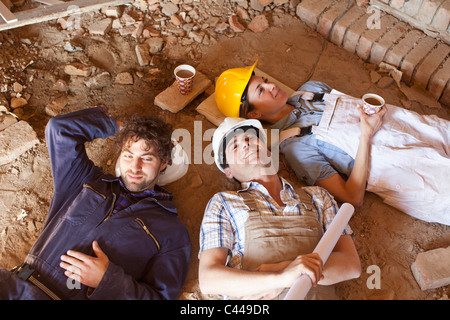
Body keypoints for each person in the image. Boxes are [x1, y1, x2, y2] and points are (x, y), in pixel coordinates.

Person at [214, 61, 450, 225]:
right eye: (261, 90)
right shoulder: (295, 145)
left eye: (265, 81)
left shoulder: (313, 89)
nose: (272, 86)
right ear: (253, 115)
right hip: (407, 170)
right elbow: (352, 198)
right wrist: (366, 135)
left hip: (418, 128)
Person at [0, 106, 191, 300]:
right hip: (11, 285)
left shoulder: (172, 232)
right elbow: (59, 130)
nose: (135, 167)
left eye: (147, 158)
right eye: (128, 155)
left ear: (164, 162)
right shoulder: (85, 180)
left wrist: (108, 281)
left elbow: (162, 297)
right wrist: (127, 131)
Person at [198, 117, 361, 300]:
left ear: (268, 150)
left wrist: (284, 268)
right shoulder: (224, 204)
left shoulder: (318, 197)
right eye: (235, 146)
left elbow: (351, 264)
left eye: (250, 138)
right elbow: (209, 279)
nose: (246, 145)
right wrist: (282, 277)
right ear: (228, 172)